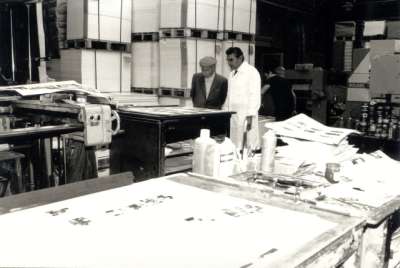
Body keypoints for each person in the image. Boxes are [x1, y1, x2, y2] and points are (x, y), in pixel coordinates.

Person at [223, 47, 261, 150]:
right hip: (234, 114)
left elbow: (255, 95)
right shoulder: (232, 74)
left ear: (240, 58)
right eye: (228, 60)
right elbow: (229, 95)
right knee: (235, 143)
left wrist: (250, 115)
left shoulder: (251, 72)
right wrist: (225, 111)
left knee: (247, 144)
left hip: (246, 115)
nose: (229, 63)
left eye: (231, 60)